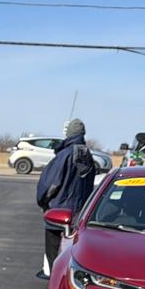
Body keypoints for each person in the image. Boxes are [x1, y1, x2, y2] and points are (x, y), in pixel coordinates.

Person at [35, 118, 97, 278]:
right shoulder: (88, 155)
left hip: (59, 210)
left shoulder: (64, 155)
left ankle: (53, 277)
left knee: (53, 249)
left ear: (69, 134)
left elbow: (50, 184)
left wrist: (43, 202)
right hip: (80, 212)